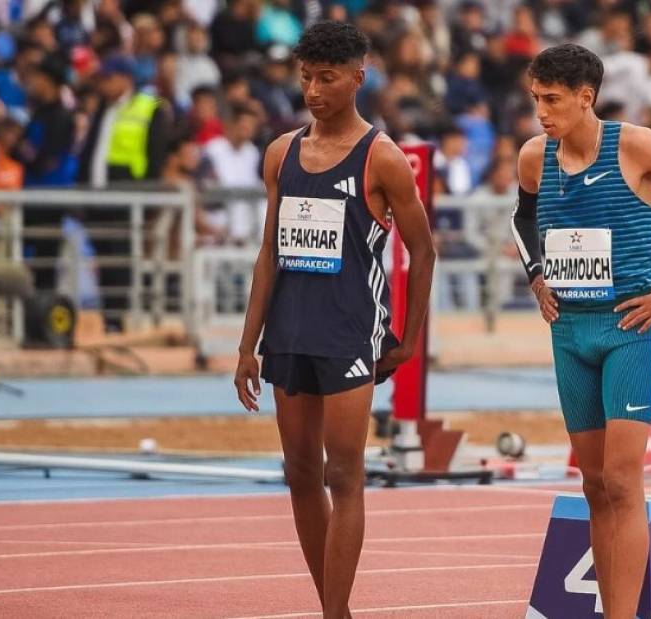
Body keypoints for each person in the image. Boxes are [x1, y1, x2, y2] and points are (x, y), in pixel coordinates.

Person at [510, 44, 651, 619]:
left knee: (620, 481)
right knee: (591, 484)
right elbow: (521, 217)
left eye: (552, 99)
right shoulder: (534, 156)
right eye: (536, 98)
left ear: (586, 97)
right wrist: (536, 274)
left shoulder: (636, 145)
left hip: (628, 328)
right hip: (569, 331)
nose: (541, 111)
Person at [233, 21, 435, 619]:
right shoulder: (282, 154)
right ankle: (335, 608)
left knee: (343, 473)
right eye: (305, 78)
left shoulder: (384, 159)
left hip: (350, 330)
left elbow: (422, 250)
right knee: (300, 474)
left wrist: (408, 337)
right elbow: (268, 251)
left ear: (357, 78)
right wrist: (248, 345)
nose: (313, 90)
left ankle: (333, 613)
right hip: (289, 330)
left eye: (326, 78)